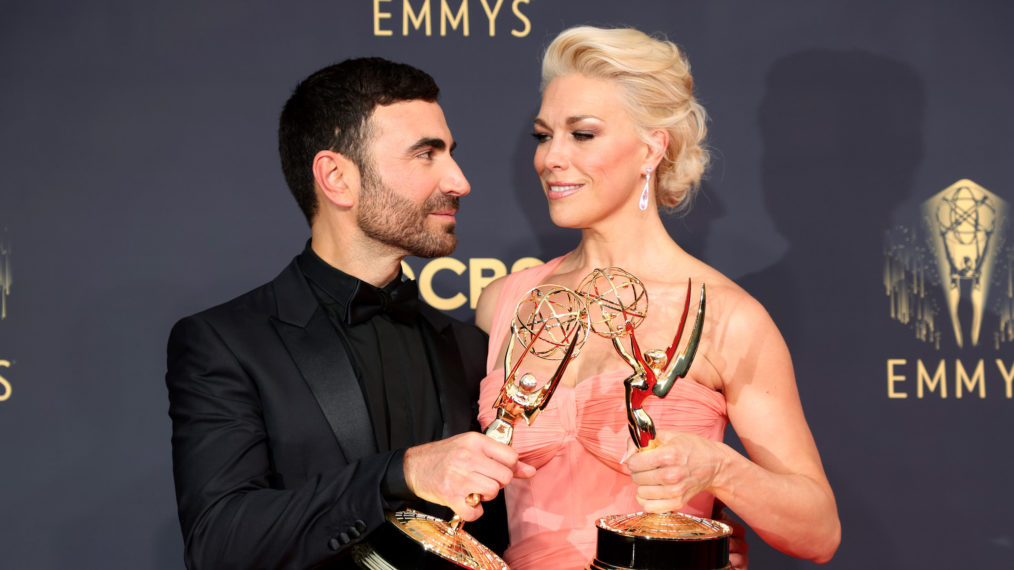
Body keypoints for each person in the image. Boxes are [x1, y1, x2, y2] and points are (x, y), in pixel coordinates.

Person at [475, 26, 841, 569]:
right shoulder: (505, 302)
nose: (550, 158)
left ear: (652, 147)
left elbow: (818, 533)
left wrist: (720, 470)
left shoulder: (726, 316)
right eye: (543, 135)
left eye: (583, 135)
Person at [166, 57, 532, 570]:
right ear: (336, 177)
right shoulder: (227, 342)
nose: (459, 180)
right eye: (426, 154)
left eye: (449, 152)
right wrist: (398, 473)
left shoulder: (470, 347)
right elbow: (219, 541)